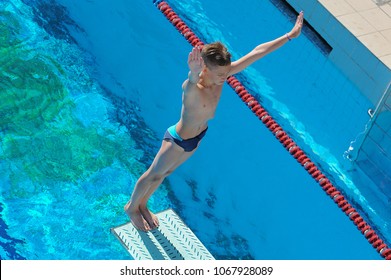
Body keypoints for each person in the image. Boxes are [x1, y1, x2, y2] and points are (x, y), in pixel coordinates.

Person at [125, 11, 304, 231]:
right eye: (220, 73)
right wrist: (192, 73)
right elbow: (188, 85)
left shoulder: (223, 74)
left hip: (197, 137)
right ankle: (132, 207)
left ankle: (143, 204)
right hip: (177, 139)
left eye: (226, 72)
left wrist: (289, 36)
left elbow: (257, 52)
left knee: (165, 173)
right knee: (153, 173)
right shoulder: (194, 87)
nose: (225, 77)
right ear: (206, 68)